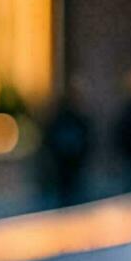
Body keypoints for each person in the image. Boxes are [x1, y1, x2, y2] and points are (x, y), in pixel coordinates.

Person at [37, 76, 93, 207]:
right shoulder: (60, 118)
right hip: (61, 167)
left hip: (75, 167)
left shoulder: (80, 119)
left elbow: (88, 141)